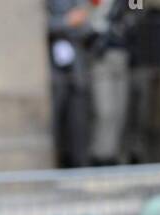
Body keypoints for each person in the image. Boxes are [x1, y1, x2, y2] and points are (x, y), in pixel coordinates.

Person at [47, 0, 98, 169]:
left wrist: (71, 24)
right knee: (54, 119)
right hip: (53, 72)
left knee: (79, 119)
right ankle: (57, 162)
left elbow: (88, 26)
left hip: (77, 70)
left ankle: (81, 164)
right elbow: (37, 25)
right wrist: (67, 23)